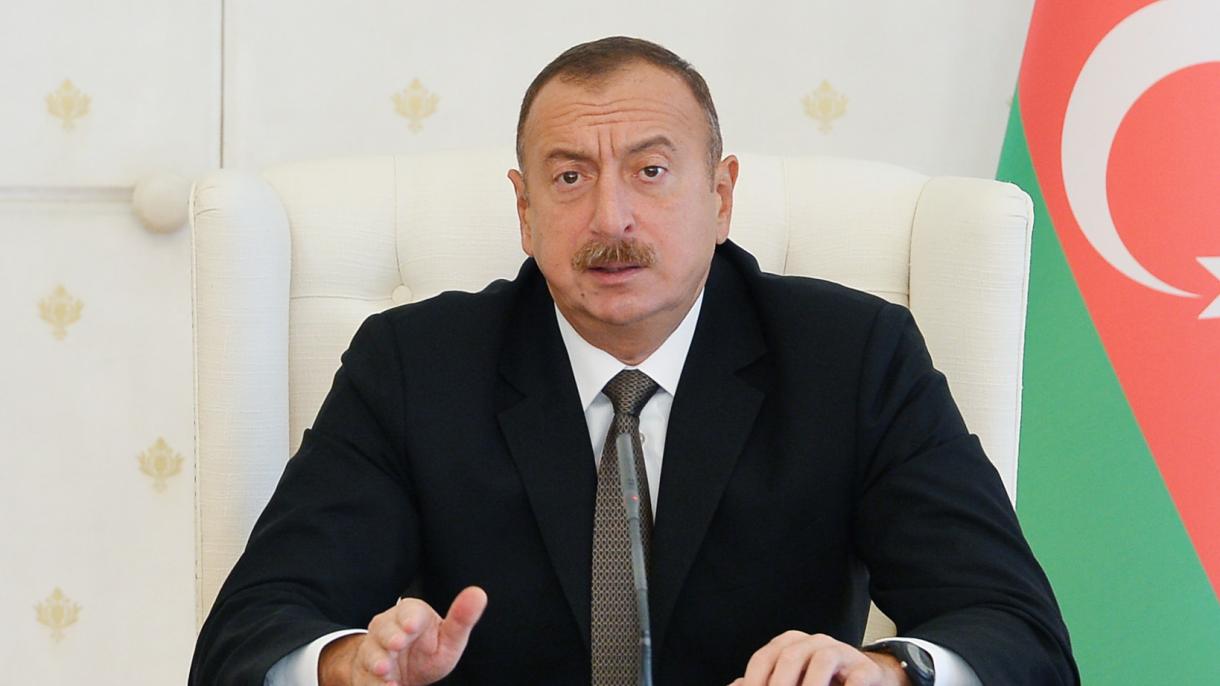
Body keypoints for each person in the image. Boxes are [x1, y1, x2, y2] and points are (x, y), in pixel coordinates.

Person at [190, 37, 1077, 686]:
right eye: (570, 178)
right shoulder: (414, 367)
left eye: (651, 172)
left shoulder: (852, 358)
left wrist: (884, 673)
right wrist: (348, 665)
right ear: (525, 211)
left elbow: (1016, 632)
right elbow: (248, 636)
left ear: (721, 196)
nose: (611, 218)